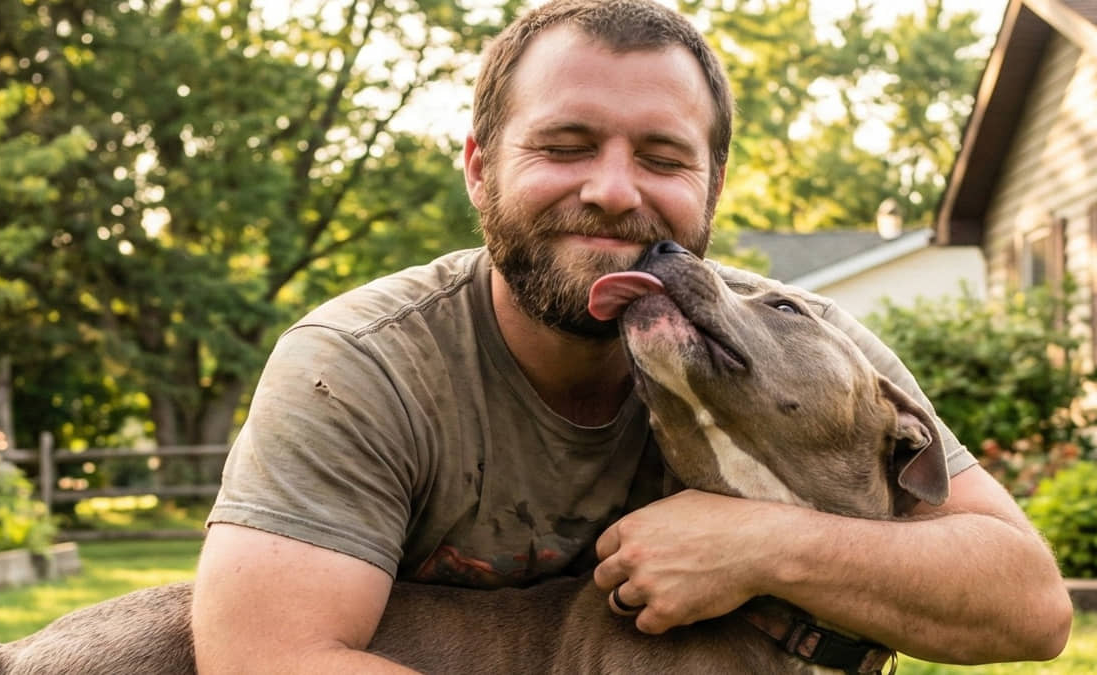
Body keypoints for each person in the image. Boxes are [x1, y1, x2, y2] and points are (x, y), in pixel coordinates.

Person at [191, 0, 1072, 671]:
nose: (615, 191)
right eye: (566, 145)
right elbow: (268, 657)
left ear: (714, 182)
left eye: (661, 157)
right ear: (477, 166)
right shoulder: (361, 363)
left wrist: (759, 542)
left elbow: (1032, 606)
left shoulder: (789, 341)